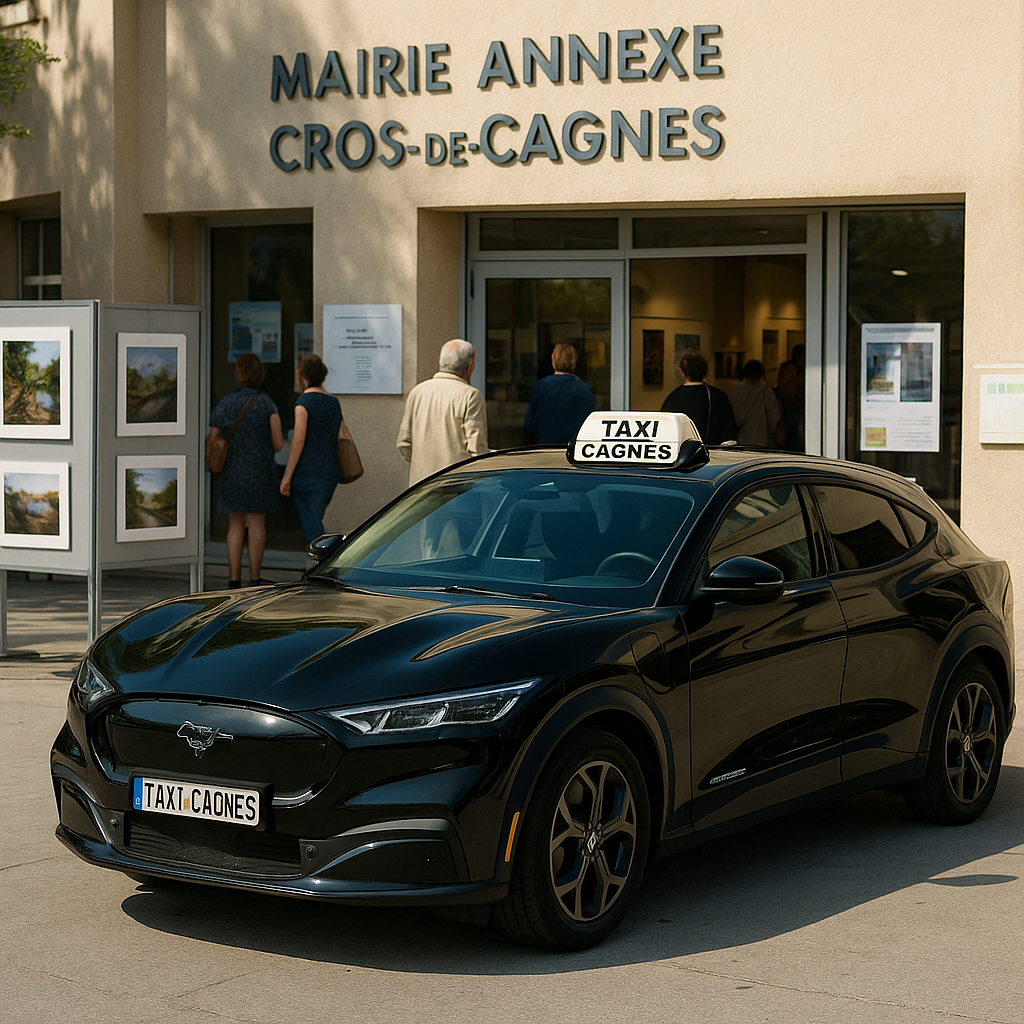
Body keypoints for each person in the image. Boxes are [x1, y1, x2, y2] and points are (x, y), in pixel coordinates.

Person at [209, 353, 282, 588]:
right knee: (257, 523)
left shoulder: (227, 402)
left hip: (233, 471)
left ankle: (233, 578)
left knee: (235, 524)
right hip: (260, 471)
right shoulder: (266, 403)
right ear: (259, 373)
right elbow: (278, 442)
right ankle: (255, 577)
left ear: (238, 373)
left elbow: (213, 438)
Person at [396, 339, 489, 485]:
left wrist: (422, 467)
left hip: (420, 487)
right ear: (470, 366)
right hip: (457, 486)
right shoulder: (470, 395)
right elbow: (476, 448)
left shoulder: (418, 392)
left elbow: (404, 443)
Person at [280, 352, 343, 544]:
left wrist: (287, 477)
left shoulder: (303, 404)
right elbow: (341, 435)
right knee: (315, 517)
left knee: (311, 521)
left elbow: (298, 442)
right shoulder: (333, 403)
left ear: (301, 375)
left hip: (307, 472)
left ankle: (317, 562)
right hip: (329, 472)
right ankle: (318, 561)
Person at [660, 347, 737, 444]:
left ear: (681, 371)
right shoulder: (718, 396)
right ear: (705, 370)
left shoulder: (673, 398)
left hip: (681, 456)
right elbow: (729, 435)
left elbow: (664, 432)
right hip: (714, 454)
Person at [523, 343, 595, 445]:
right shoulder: (585, 390)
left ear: (553, 360)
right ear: (574, 361)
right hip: (574, 449)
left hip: (544, 448)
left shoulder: (541, 387)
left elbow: (529, 423)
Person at [729, 358, 784, 447]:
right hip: (761, 443)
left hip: (739, 443)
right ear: (762, 376)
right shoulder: (766, 392)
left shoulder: (733, 393)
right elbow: (774, 420)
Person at [775, 359, 805, 451]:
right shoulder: (771, 399)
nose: (783, 382)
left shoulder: (802, 404)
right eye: (782, 377)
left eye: (789, 380)